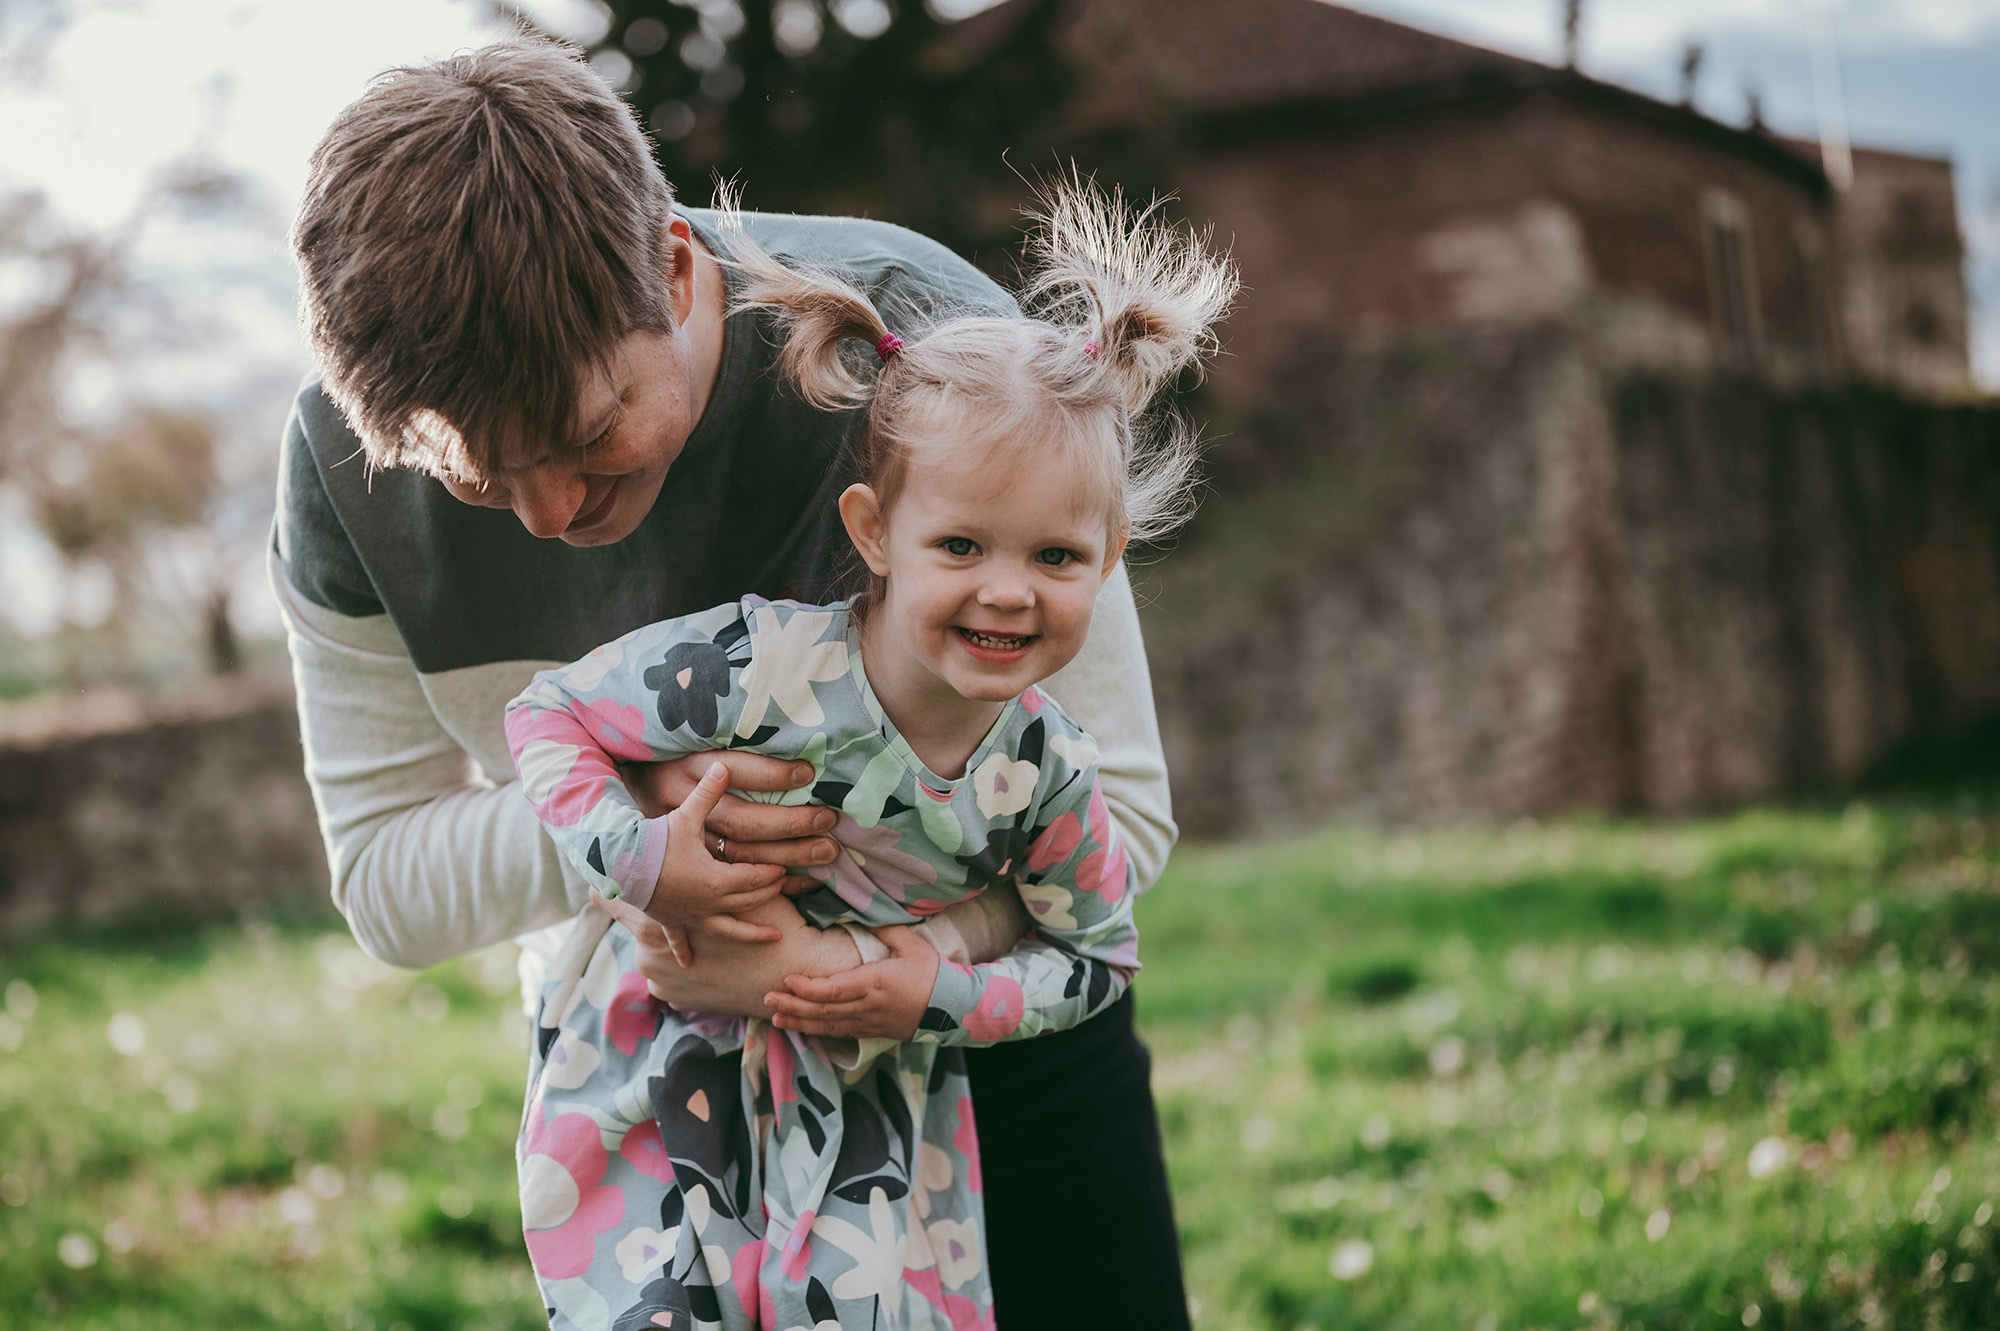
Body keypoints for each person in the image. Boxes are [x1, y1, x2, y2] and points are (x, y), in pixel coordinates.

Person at [275, 37, 1195, 1329]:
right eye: (478, 476)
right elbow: (384, 881)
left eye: (589, 434)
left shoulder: (937, 354)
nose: (543, 513)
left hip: (986, 1057)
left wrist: (859, 965)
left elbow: (1128, 812)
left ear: (673, 261)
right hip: (659, 1105)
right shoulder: (339, 466)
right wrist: (635, 819)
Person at [503, 188, 1233, 1329]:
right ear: (871, 531)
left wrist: (935, 988)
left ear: (1108, 558)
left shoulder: (1047, 773)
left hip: (873, 1106)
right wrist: (644, 855)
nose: (1005, 585)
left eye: (1053, 553)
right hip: (661, 1066)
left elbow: (1093, 959)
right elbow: (547, 719)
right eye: (959, 544)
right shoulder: (763, 666)